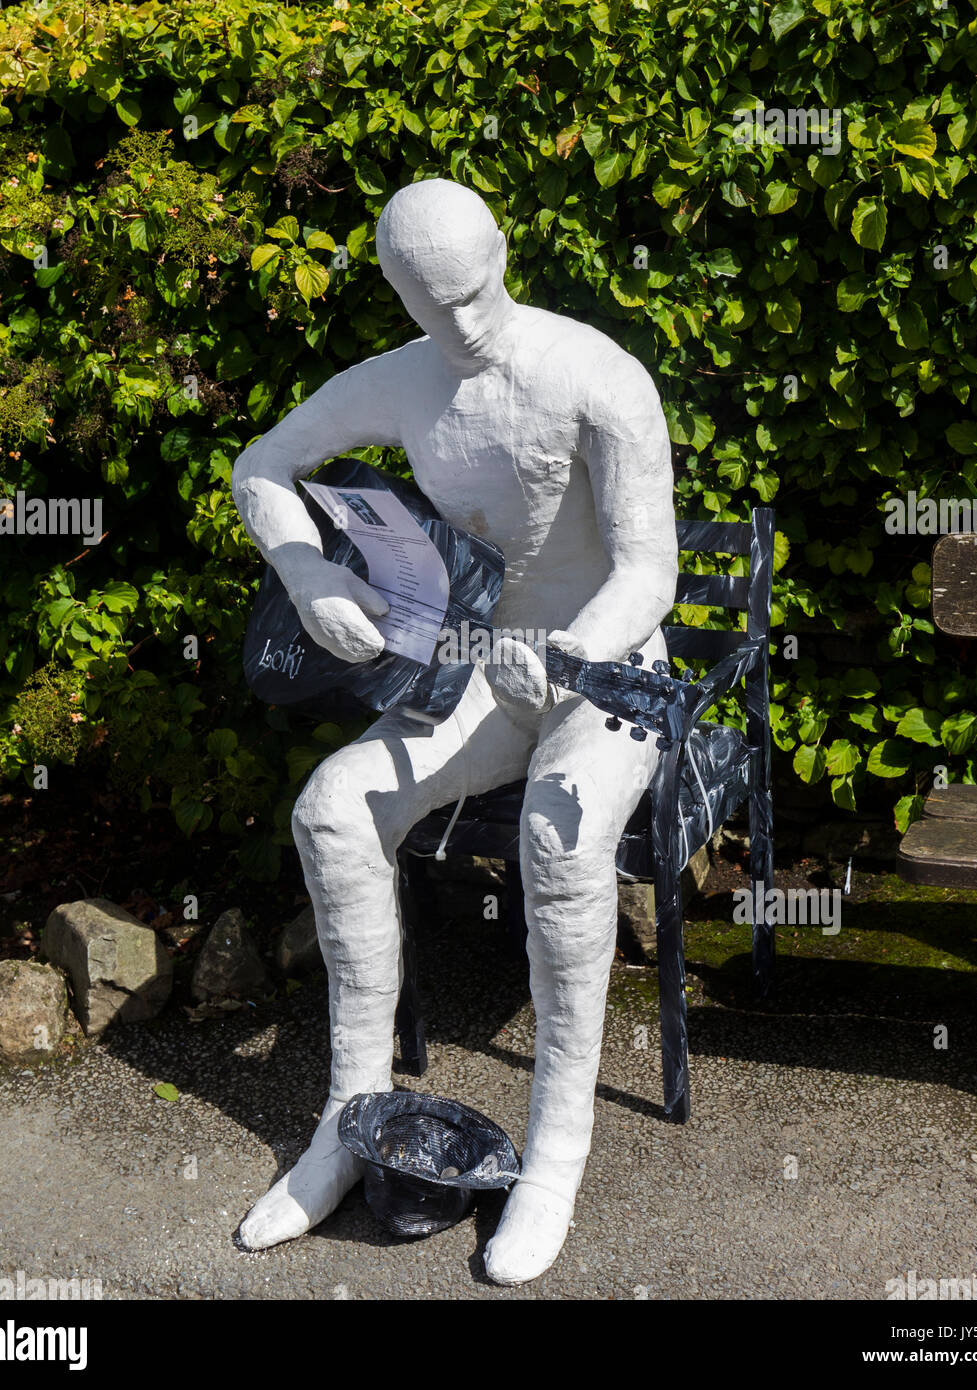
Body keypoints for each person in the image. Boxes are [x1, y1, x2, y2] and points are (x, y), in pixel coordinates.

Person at [230, 178, 678, 1284]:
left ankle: (555, 1155)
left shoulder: (595, 377)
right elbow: (261, 465)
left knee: (560, 846)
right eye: (437, 306)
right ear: (398, 291)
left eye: (477, 293)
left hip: (601, 670)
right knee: (332, 811)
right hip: (480, 668)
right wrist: (304, 567)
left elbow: (649, 569)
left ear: (505, 255)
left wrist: (574, 649)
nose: (465, 325)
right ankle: (349, 1120)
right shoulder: (399, 380)